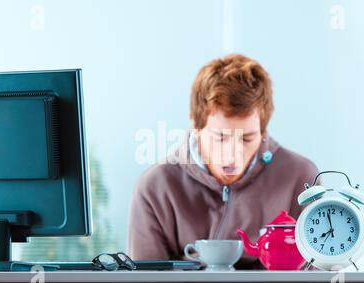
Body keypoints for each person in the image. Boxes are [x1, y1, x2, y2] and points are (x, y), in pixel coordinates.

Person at [128, 54, 318, 270]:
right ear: (195, 124)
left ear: (263, 131)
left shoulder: (301, 181)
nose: (232, 156)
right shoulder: (155, 188)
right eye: (220, 137)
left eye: (247, 138)